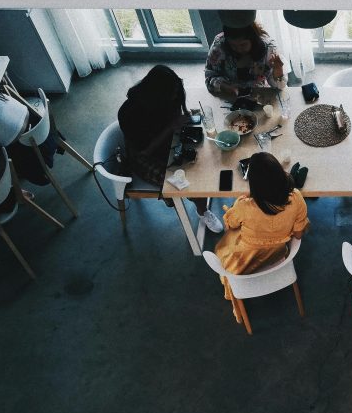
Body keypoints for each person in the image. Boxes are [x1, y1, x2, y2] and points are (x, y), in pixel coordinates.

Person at [117, 65, 223, 233]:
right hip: (144, 155)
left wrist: (185, 118)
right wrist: (171, 128)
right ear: (155, 96)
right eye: (171, 95)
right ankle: (202, 211)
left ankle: (193, 197)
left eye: (176, 92)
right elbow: (144, 151)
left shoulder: (170, 94)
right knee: (189, 183)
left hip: (168, 140)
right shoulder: (130, 113)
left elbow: (174, 115)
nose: (175, 96)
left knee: (207, 158)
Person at [213, 151, 310, 323]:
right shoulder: (296, 199)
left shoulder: (245, 206)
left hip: (244, 258)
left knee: (223, 245)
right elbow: (299, 233)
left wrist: (239, 202)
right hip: (279, 253)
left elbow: (230, 224)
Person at [204, 21, 287, 98]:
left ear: (253, 40)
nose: (238, 49)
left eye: (243, 45)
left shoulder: (269, 49)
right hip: (229, 95)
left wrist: (278, 71)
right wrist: (224, 86)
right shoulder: (219, 46)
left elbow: (278, 88)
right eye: (233, 45)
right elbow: (209, 75)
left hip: (259, 95)